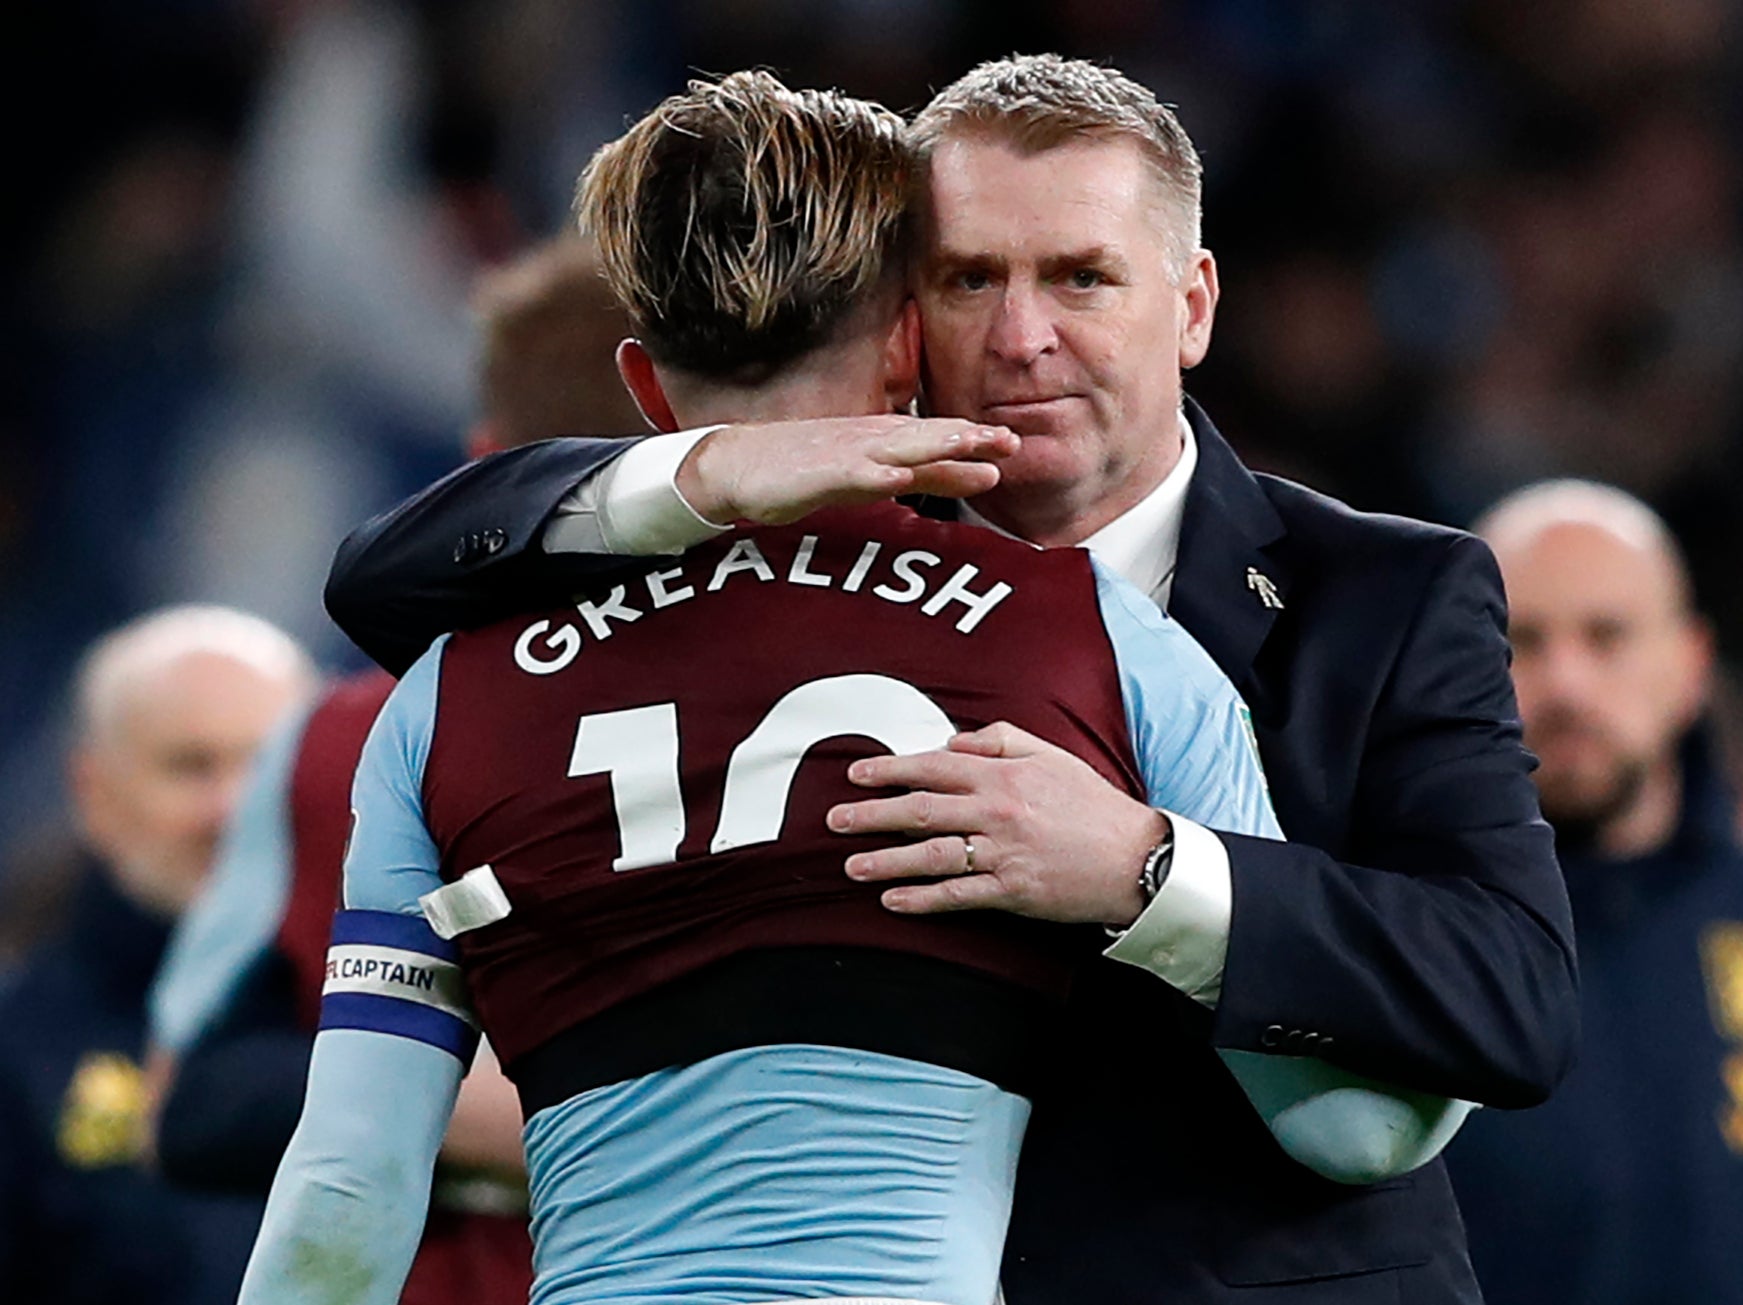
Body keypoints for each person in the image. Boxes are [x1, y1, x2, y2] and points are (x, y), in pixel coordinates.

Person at [322, 56, 1578, 1303]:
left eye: (1082, 278)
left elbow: (1509, 995)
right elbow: (387, 581)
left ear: (1191, 306)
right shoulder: (777, 577)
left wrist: (1149, 870)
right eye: (970, 279)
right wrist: (701, 477)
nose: (1023, 339)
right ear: (905, 320)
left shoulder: (1385, 593)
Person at [143, 235, 647, 1304]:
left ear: (476, 465)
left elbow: (197, 1100)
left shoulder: (337, 739)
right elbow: (189, 1105)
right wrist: (507, 1111)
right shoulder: (331, 742)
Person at [1446, 480, 1743, 1305]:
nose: (1565, 683)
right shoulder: (1386, 928)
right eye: (1521, 641)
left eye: (1606, 635)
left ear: (1690, 665)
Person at [0, 605, 314, 1305]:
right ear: (95, 793)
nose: (233, 807)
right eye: (190, 765)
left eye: (269, 764)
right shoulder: (19, 1049)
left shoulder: (423, 1012)